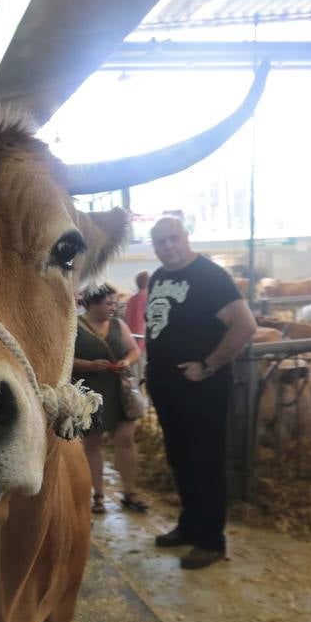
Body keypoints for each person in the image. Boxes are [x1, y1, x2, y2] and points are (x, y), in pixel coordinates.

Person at [143, 217, 258, 570]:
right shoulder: (160, 277)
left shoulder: (210, 275)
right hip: (168, 386)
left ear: (187, 237)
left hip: (202, 387)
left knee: (205, 461)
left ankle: (211, 540)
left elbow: (245, 325)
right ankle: (190, 525)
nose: (168, 247)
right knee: (180, 458)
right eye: (160, 242)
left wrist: (208, 365)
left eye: (173, 239)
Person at [71, 284, 148, 515]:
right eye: (108, 303)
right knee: (92, 443)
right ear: (91, 304)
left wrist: (127, 361)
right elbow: (64, 358)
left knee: (125, 439)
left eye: (115, 303)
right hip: (89, 392)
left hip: (118, 390)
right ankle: (97, 495)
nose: (113, 307)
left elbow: (134, 350)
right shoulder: (73, 326)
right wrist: (89, 365)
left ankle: (130, 492)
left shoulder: (118, 324)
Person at [125, 270, 150, 356]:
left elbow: (127, 319)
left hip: (131, 341)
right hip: (145, 341)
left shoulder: (131, 300)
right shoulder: (150, 299)